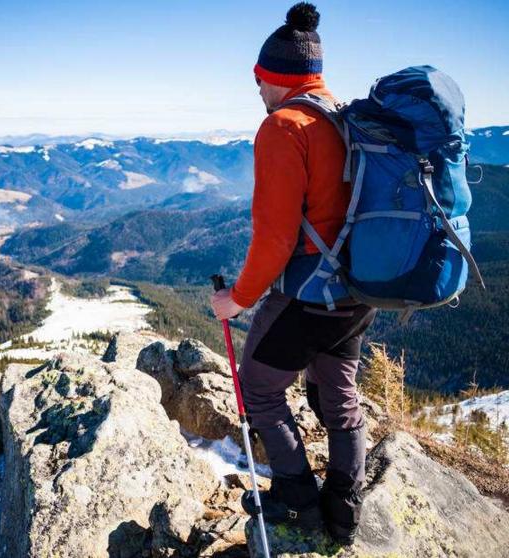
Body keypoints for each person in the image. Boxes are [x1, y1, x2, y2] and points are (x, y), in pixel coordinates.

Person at [209, 2, 376, 546]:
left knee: (258, 390)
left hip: (307, 296)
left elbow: (276, 237)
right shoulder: (346, 118)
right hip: (361, 290)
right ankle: (344, 511)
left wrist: (238, 298)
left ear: (276, 76)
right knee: (339, 399)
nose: (257, 89)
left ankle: (299, 502)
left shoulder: (284, 127)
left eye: (258, 79)